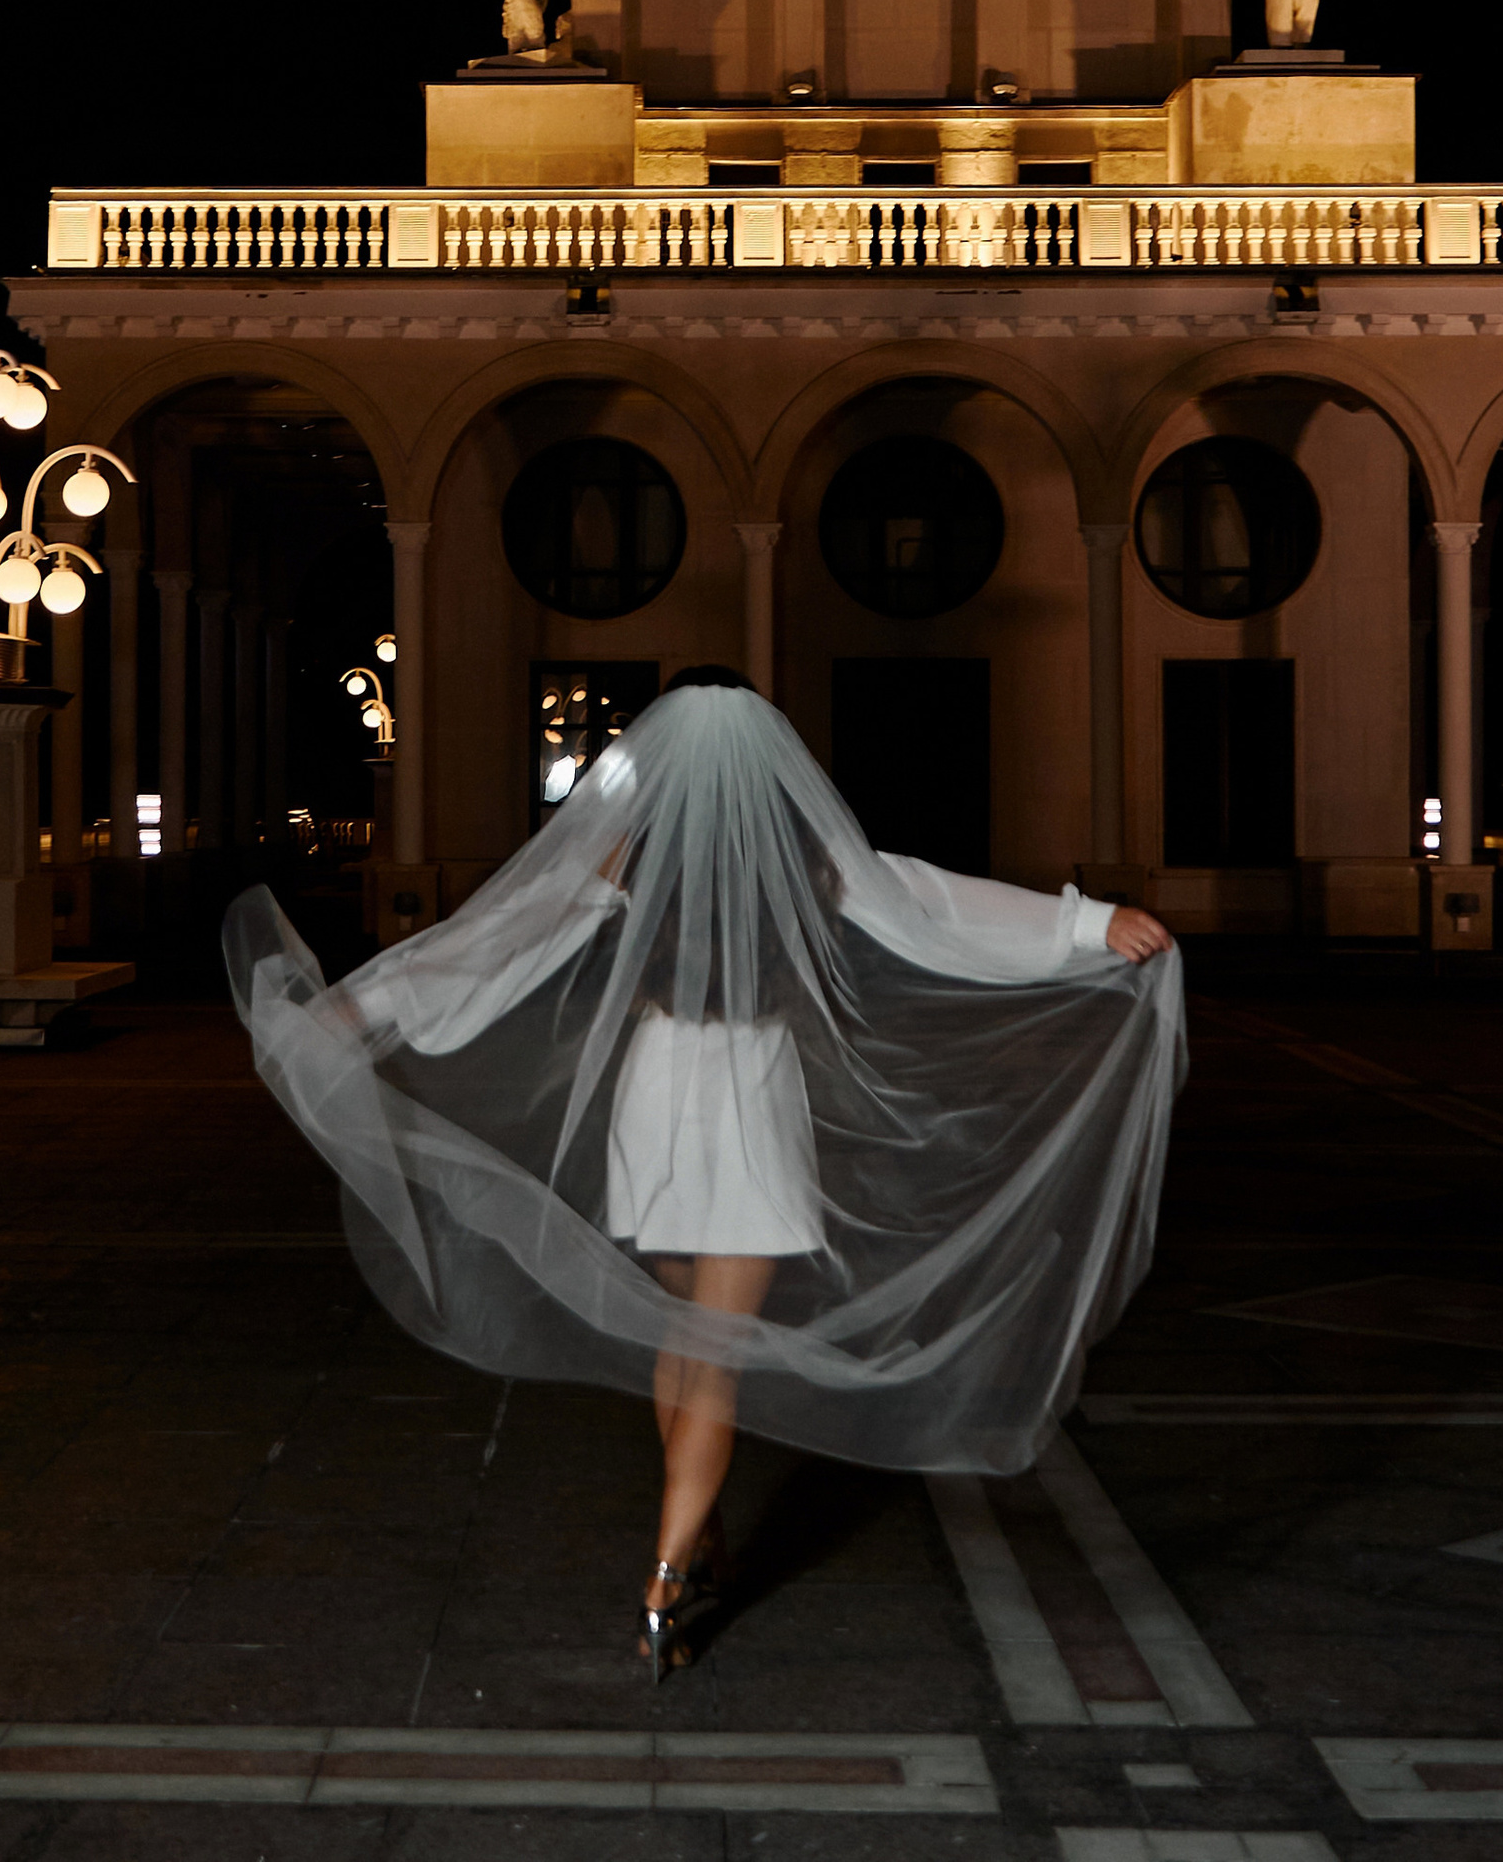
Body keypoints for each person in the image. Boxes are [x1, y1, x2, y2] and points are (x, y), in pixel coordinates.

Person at [224, 670, 1182, 1683]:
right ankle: (667, 1574)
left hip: (653, 1095)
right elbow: (930, 905)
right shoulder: (809, 860)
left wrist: (369, 1010)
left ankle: (701, 1528)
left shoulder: (629, 853)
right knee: (711, 1355)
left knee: (683, 1342)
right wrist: (1084, 925)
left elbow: (500, 938)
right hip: (748, 1095)